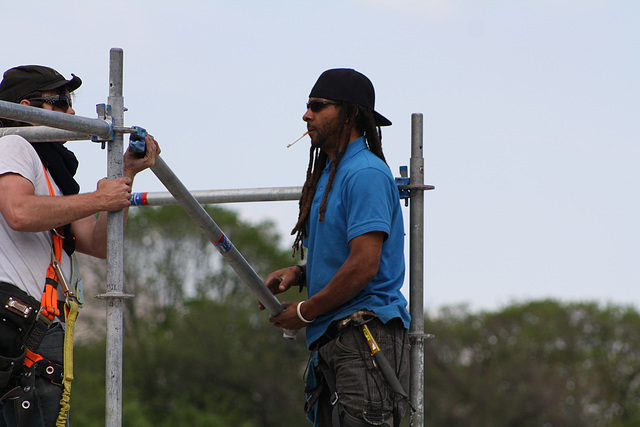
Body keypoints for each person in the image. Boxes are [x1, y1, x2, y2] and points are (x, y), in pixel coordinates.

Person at [0, 65, 160, 426]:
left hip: (34, 329)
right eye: (61, 101)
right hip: (16, 322)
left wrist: (125, 176)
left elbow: (98, 243)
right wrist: (98, 199)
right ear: (28, 107)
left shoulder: (50, 174)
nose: (72, 112)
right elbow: (19, 212)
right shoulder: (13, 144)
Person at [263, 69, 411, 427]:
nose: (306, 114)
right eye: (307, 106)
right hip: (339, 338)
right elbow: (345, 259)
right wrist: (300, 273)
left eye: (318, 106)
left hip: (364, 333)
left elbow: (363, 267)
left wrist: (304, 312)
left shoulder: (365, 173)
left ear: (350, 113)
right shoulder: (331, 173)